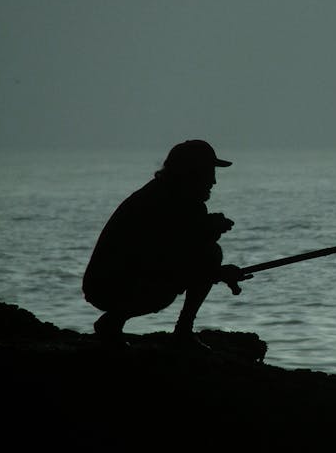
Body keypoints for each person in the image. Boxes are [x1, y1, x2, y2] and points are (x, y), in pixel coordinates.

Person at [83, 140, 250, 345]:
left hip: (102, 284)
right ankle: (181, 331)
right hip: (113, 285)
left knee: (207, 255)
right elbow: (167, 254)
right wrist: (216, 267)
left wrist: (212, 259)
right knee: (210, 254)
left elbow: (176, 251)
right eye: (208, 172)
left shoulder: (160, 195)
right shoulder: (167, 202)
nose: (213, 181)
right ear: (191, 172)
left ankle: (114, 322)